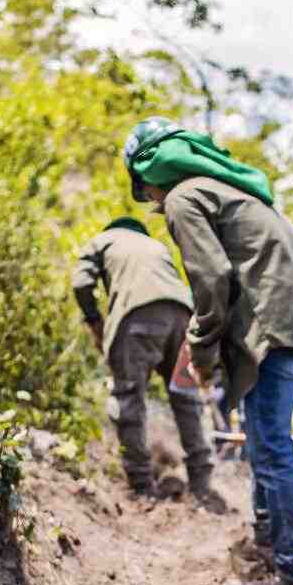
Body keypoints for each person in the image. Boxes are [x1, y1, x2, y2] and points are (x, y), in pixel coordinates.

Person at [122, 117, 293, 585]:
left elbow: (212, 279)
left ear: (149, 174)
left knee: (271, 450)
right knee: (265, 444)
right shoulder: (231, 189)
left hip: (273, 326)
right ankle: (268, 546)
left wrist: (199, 350)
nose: (152, 201)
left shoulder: (184, 198)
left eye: (146, 191)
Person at [71, 216, 225, 512]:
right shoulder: (156, 247)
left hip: (135, 316)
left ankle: (142, 486)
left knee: (129, 398)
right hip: (184, 316)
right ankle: (202, 484)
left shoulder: (103, 241)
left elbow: (81, 282)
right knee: (186, 398)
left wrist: (94, 321)